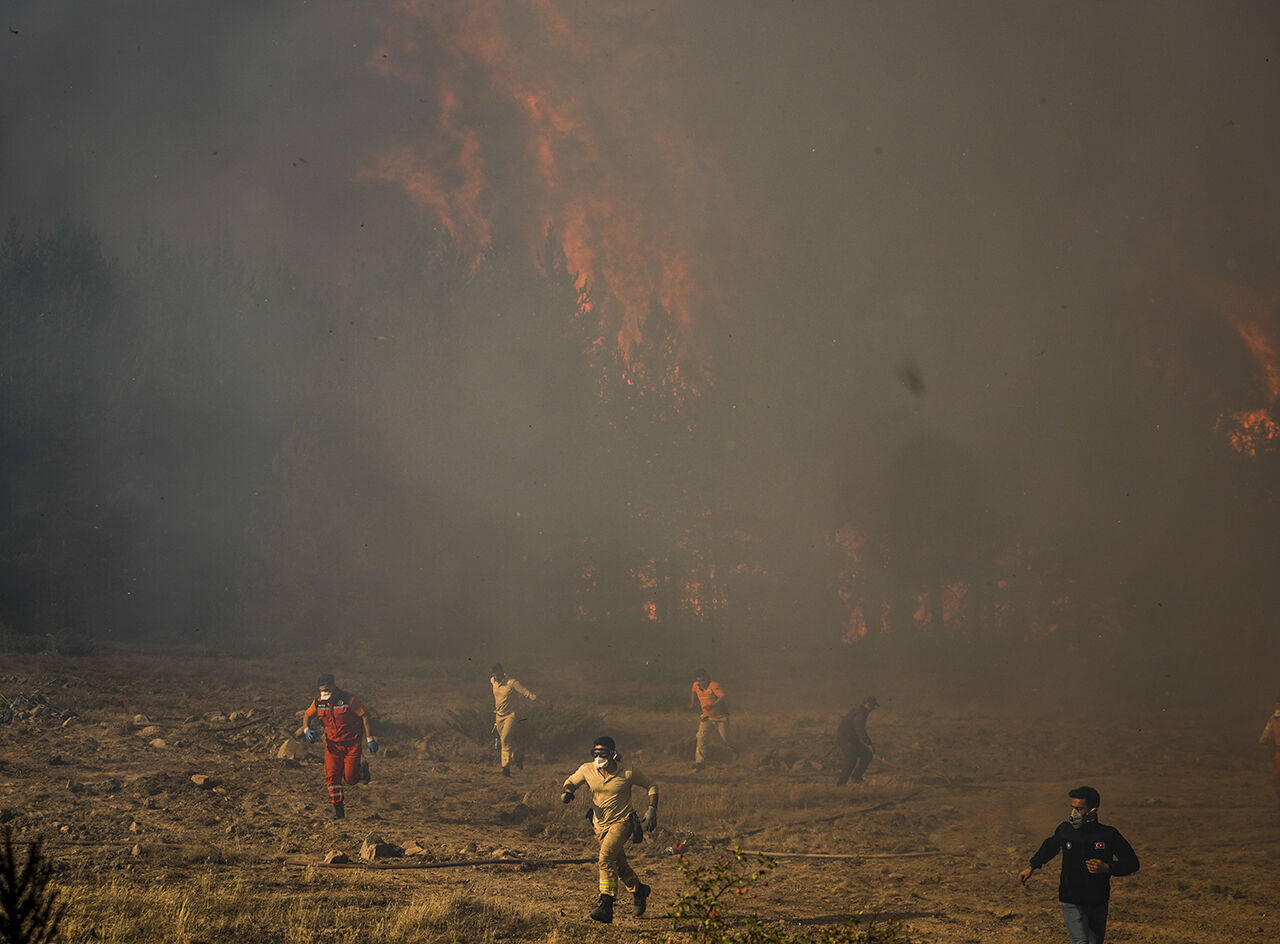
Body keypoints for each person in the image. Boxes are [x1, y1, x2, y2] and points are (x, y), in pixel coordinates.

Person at [1019, 785, 1140, 944]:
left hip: (1099, 901)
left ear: (1093, 811)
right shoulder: (1066, 831)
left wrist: (1108, 867)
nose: (1073, 814)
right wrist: (1032, 866)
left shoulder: (1108, 835)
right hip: (1071, 899)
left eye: (1079, 809)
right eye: (1072, 808)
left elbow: (1132, 863)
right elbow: (1050, 847)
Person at [561, 736, 658, 924]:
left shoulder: (627, 771)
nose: (598, 757)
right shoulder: (587, 769)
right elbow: (571, 781)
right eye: (595, 753)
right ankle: (639, 890)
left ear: (613, 754)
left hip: (623, 822)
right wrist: (567, 792)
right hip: (599, 825)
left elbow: (651, 785)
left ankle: (606, 905)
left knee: (605, 859)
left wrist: (652, 808)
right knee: (619, 865)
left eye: (602, 754)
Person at [300, 674, 377, 819]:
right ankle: (339, 813)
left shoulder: (348, 699)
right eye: (322, 690)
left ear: (334, 686)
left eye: (327, 689)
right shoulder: (319, 702)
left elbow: (365, 715)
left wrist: (370, 738)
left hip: (351, 745)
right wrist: (306, 729)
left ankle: (361, 771)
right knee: (332, 778)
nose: (325, 692)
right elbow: (308, 715)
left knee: (350, 779)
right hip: (332, 746)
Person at [490, 663, 537, 776]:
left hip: (511, 716)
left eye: (497, 673)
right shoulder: (492, 681)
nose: (496, 676)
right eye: (494, 674)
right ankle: (518, 756)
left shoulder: (512, 683)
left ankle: (505, 769)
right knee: (506, 741)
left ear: (502, 672)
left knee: (505, 741)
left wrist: (541, 702)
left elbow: (526, 693)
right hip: (499, 716)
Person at [689, 668, 738, 770]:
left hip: (721, 717)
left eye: (703, 680)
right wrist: (693, 702)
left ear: (707, 678)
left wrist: (712, 705)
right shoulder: (696, 685)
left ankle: (735, 751)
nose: (701, 683)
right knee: (701, 738)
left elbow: (722, 697)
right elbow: (693, 691)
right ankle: (700, 762)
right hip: (707, 717)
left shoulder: (714, 685)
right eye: (699, 680)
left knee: (726, 738)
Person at [834, 694, 879, 786]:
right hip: (846, 738)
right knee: (851, 759)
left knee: (867, 754)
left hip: (851, 739)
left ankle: (856, 778)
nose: (873, 709)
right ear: (867, 704)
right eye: (872, 706)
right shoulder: (860, 714)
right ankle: (841, 784)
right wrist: (869, 744)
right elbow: (860, 730)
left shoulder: (860, 711)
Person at [1259, 696, 1280, 807]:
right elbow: (1267, 734)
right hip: (1278, 752)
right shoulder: (1274, 718)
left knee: (1275, 778)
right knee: (1275, 778)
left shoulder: (1275, 718)